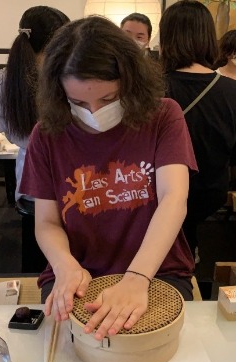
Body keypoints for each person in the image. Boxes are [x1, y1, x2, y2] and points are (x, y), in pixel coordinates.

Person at [20, 16, 197, 340]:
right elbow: (46, 222)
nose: (93, 111)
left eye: (107, 100)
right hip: (76, 270)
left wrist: (136, 278)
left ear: (131, 82)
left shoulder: (163, 116)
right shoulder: (47, 135)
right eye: (78, 102)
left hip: (157, 270)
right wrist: (64, 266)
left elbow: (174, 199)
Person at [159, 0, 236, 257]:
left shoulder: (149, 90)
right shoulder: (231, 91)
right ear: (208, 37)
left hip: (156, 199)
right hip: (210, 202)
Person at [0, 6, 70, 204]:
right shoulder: (60, 76)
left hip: (31, 182)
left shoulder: (6, 78)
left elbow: (10, 131)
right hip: (58, 179)